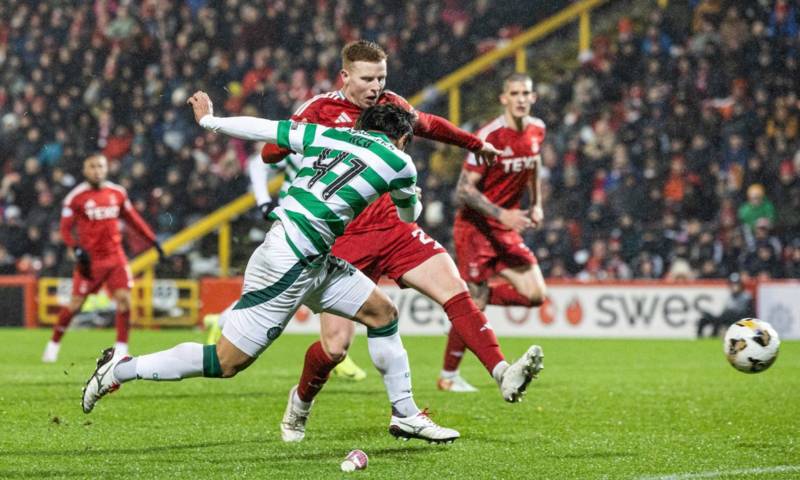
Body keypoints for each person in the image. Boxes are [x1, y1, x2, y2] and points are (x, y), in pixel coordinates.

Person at [82, 96, 475, 445]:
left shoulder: (326, 136)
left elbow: (266, 130)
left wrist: (211, 122)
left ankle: (405, 413)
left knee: (381, 312)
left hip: (305, 252)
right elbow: (409, 215)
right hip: (291, 262)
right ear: (403, 139)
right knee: (225, 362)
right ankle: (120, 370)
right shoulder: (401, 163)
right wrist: (412, 198)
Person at [256, 41, 543, 442]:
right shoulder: (319, 109)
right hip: (343, 239)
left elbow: (433, 125)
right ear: (345, 77)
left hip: (394, 228)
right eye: (367, 78)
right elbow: (270, 152)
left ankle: (501, 372)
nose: (376, 87)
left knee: (455, 290)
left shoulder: (391, 106)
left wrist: (476, 144)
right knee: (335, 349)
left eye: (381, 78)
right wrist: (300, 139)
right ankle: (300, 403)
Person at [440, 74, 548, 391]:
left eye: (526, 93)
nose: (521, 99)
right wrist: (503, 214)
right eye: (514, 93)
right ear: (504, 98)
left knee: (535, 294)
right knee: (474, 303)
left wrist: (537, 204)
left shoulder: (537, 129)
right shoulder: (489, 136)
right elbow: (463, 190)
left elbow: (534, 163)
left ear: (533, 97)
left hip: (507, 226)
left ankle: (477, 299)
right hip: (476, 227)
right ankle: (448, 377)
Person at [42, 154, 163, 363]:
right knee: (76, 304)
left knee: (125, 301)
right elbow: (64, 229)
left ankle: (121, 349)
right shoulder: (76, 197)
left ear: (106, 169)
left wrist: (153, 241)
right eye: (92, 167)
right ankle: (53, 344)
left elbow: (134, 219)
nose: (97, 170)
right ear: (85, 170)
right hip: (90, 260)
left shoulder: (117, 193)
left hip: (116, 257)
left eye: (100, 166)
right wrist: (75, 248)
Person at [697, 273, 755, 338]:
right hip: (726, 318)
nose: (734, 287)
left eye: (736, 285)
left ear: (740, 285)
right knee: (705, 318)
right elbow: (723, 312)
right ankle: (707, 337)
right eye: (732, 285)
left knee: (726, 315)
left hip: (739, 320)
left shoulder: (746, 297)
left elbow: (750, 315)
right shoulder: (729, 297)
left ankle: (713, 335)